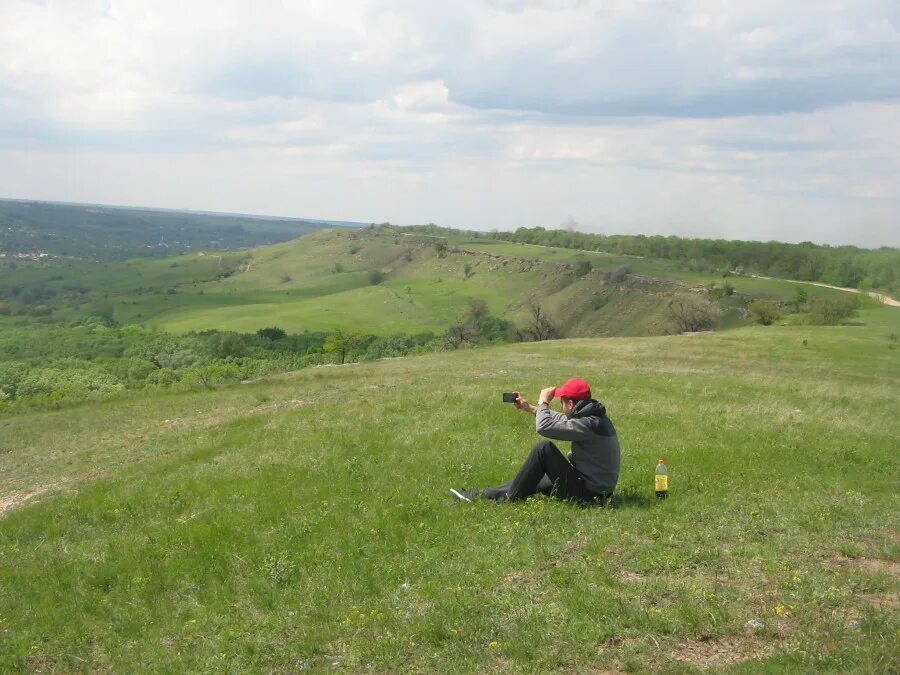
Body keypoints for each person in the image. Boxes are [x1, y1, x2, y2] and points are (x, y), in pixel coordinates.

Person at [450, 377, 621, 504]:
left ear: (570, 404)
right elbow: (563, 420)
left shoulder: (590, 424)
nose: (561, 406)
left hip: (591, 495)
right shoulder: (594, 418)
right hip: (593, 489)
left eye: (562, 402)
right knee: (533, 477)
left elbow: (544, 427)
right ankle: (480, 495)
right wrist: (530, 408)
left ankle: (509, 499)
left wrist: (544, 402)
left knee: (543, 449)